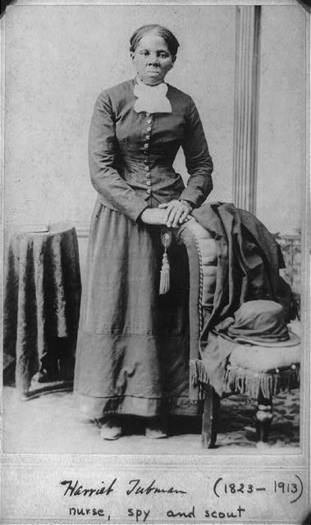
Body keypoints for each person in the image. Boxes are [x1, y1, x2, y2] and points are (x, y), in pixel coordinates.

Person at [74, 24, 213, 440]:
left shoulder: (184, 104)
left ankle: (159, 407)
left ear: (173, 59)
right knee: (117, 307)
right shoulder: (110, 100)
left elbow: (202, 167)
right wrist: (141, 211)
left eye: (163, 55)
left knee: (162, 310)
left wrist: (183, 203)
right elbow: (101, 171)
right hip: (121, 217)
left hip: (170, 219)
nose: (154, 62)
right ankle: (112, 408)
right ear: (132, 55)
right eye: (146, 54)